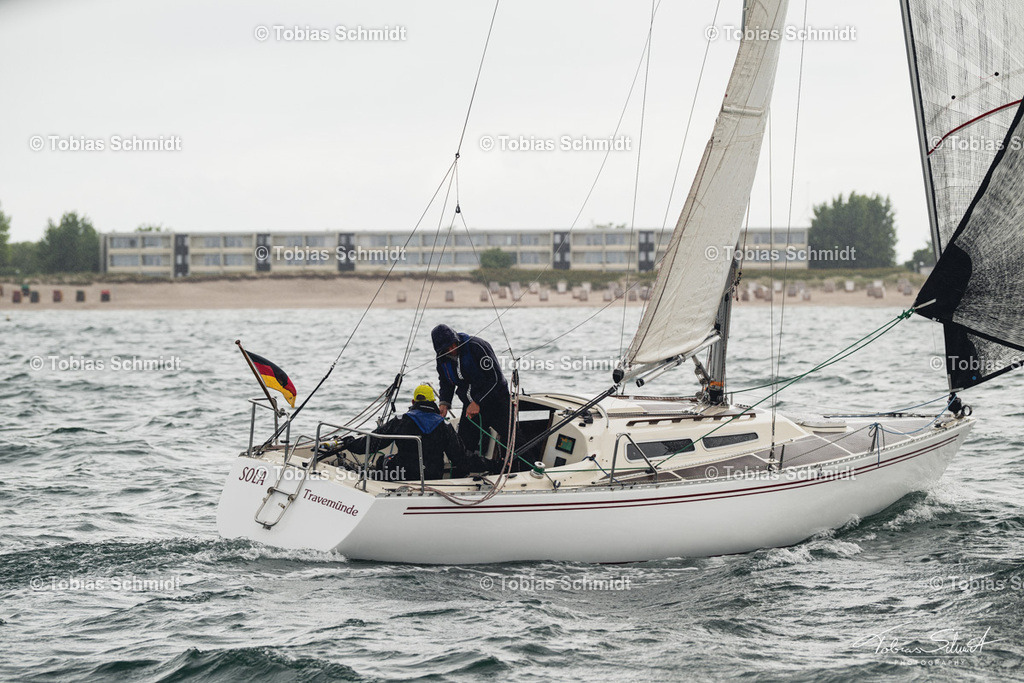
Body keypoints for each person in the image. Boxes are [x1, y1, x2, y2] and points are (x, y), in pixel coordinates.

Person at [345, 384, 478, 481]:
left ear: (413, 402)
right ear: (433, 402)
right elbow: (461, 458)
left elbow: (371, 443)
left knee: (382, 461)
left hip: (402, 474)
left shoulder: (400, 420)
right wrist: (492, 464)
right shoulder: (445, 425)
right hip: (432, 476)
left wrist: (348, 442)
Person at [431, 324, 515, 464]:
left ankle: (521, 469)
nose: (452, 349)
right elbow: (446, 382)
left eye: (453, 344)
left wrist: (478, 402)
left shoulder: (477, 346)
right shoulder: (442, 357)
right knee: (462, 445)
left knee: (513, 440)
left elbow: (495, 379)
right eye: (447, 348)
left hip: (497, 401)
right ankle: (463, 475)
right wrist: (444, 403)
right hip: (470, 405)